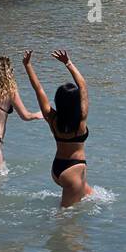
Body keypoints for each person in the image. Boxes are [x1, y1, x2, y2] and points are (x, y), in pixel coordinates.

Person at [22, 49, 94, 208]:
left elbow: (38, 89)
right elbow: (83, 86)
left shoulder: (52, 119)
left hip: (58, 168)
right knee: (67, 225)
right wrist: (68, 63)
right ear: (76, 103)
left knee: (95, 197)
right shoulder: (81, 122)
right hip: (73, 172)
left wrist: (28, 65)